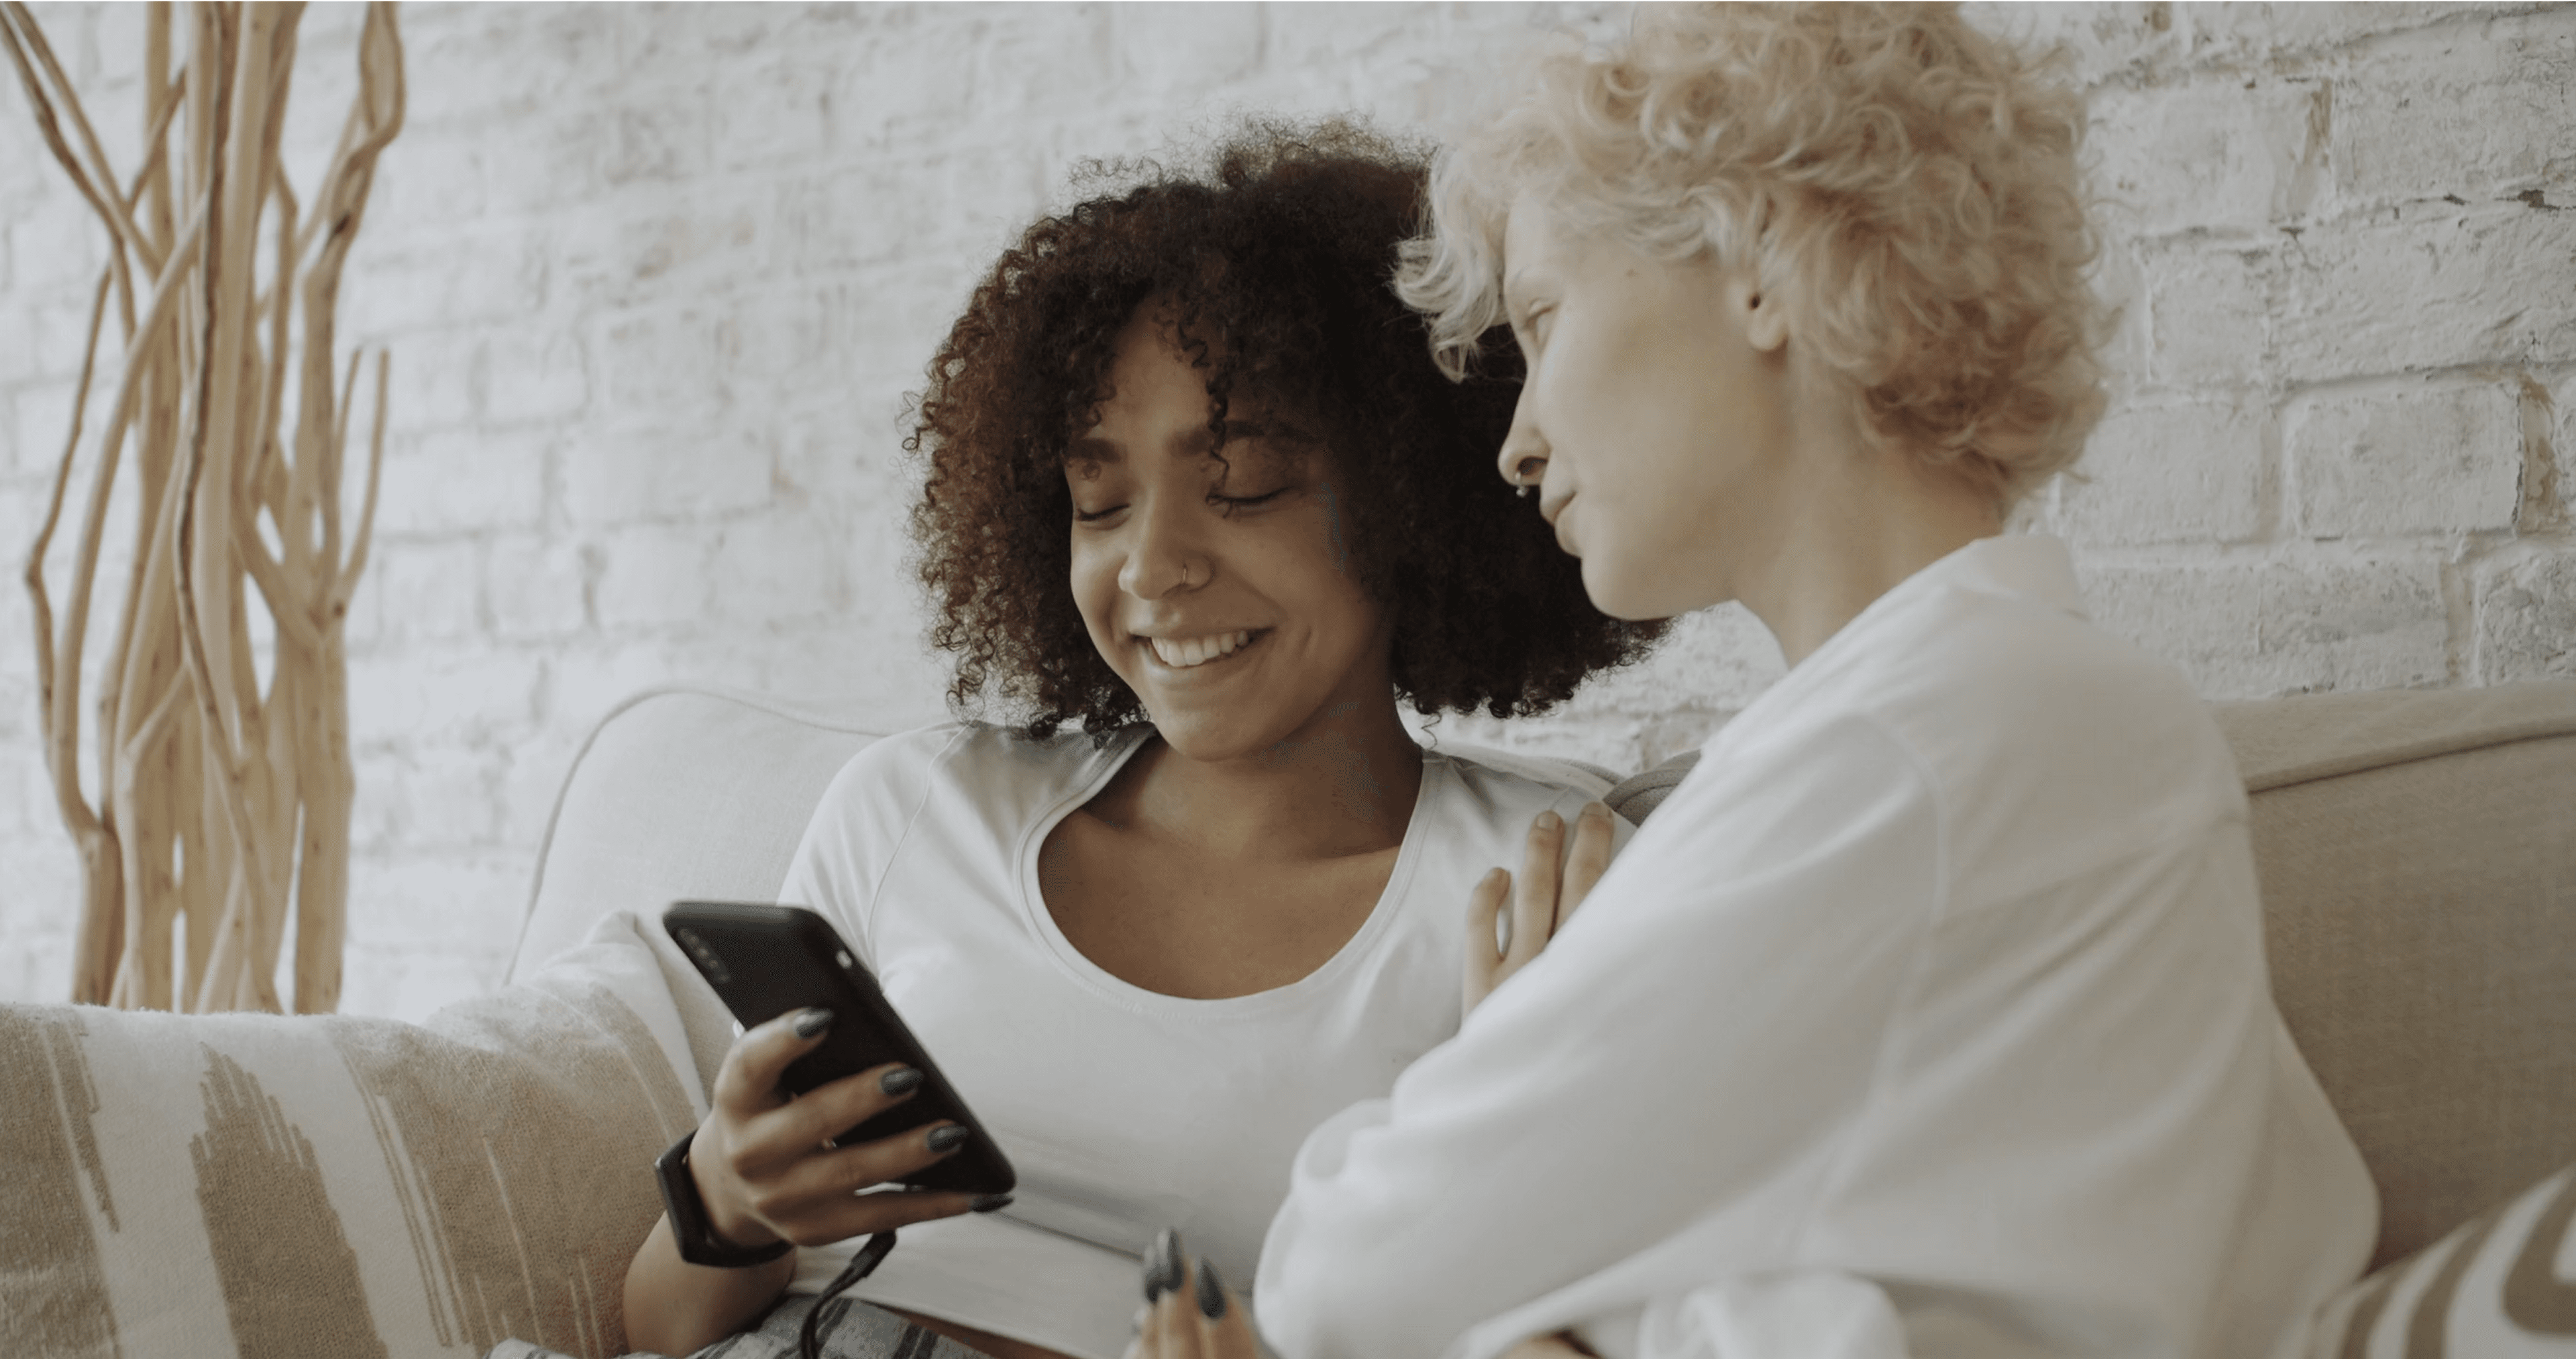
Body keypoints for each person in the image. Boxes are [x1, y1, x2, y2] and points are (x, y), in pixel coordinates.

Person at [1132, 7, 2377, 1359]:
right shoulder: (1989, 717)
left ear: (1763, 263)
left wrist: (1506, 1063)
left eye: (1546, 320)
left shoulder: (1926, 740)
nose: (1520, 441)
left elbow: (1345, 1280)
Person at [619, 121, 1660, 1359]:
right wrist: (733, 1200)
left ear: (1414, 499)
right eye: (1100, 499)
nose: (1153, 567)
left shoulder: (1536, 892)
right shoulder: (917, 807)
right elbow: (646, 1326)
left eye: (1248, 483)